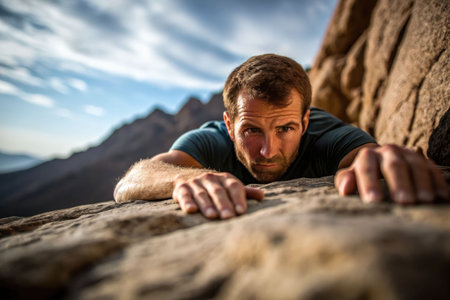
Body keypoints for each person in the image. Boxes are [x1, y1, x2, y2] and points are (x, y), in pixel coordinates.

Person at [114, 54, 448, 220]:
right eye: (250, 131)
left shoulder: (327, 134)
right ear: (229, 125)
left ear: (305, 122)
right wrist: (187, 179)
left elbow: (363, 157)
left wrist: (378, 160)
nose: (266, 149)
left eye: (285, 128)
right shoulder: (212, 141)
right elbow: (132, 180)